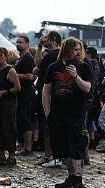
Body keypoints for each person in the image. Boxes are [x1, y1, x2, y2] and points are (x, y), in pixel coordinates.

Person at [42, 37, 92, 188]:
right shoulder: (53, 67)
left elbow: (87, 88)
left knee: (76, 144)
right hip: (58, 112)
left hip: (76, 112)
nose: (78, 52)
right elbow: (46, 90)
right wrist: (47, 112)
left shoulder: (84, 66)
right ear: (67, 49)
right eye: (75, 49)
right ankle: (71, 176)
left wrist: (76, 76)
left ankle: (78, 179)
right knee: (61, 145)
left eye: (79, 49)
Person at [0, 47, 21, 165]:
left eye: (0, 55)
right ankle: (1, 155)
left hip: (8, 104)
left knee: (8, 129)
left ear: (5, 56)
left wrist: (5, 92)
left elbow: (17, 88)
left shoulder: (10, 70)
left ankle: (11, 156)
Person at [34, 30, 62, 167]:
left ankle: (49, 154)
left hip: (48, 94)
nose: (45, 41)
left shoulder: (51, 55)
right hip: (56, 94)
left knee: (47, 125)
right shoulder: (59, 55)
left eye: (47, 39)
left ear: (53, 40)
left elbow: (36, 68)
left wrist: (39, 47)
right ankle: (53, 155)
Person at [14, 36, 36, 156]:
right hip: (20, 94)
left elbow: (29, 76)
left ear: (27, 44)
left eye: (21, 42)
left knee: (26, 120)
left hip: (26, 94)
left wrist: (14, 75)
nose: (18, 44)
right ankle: (22, 145)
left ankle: (28, 147)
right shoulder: (20, 58)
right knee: (21, 120)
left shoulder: (27, 58)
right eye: (17, 42)